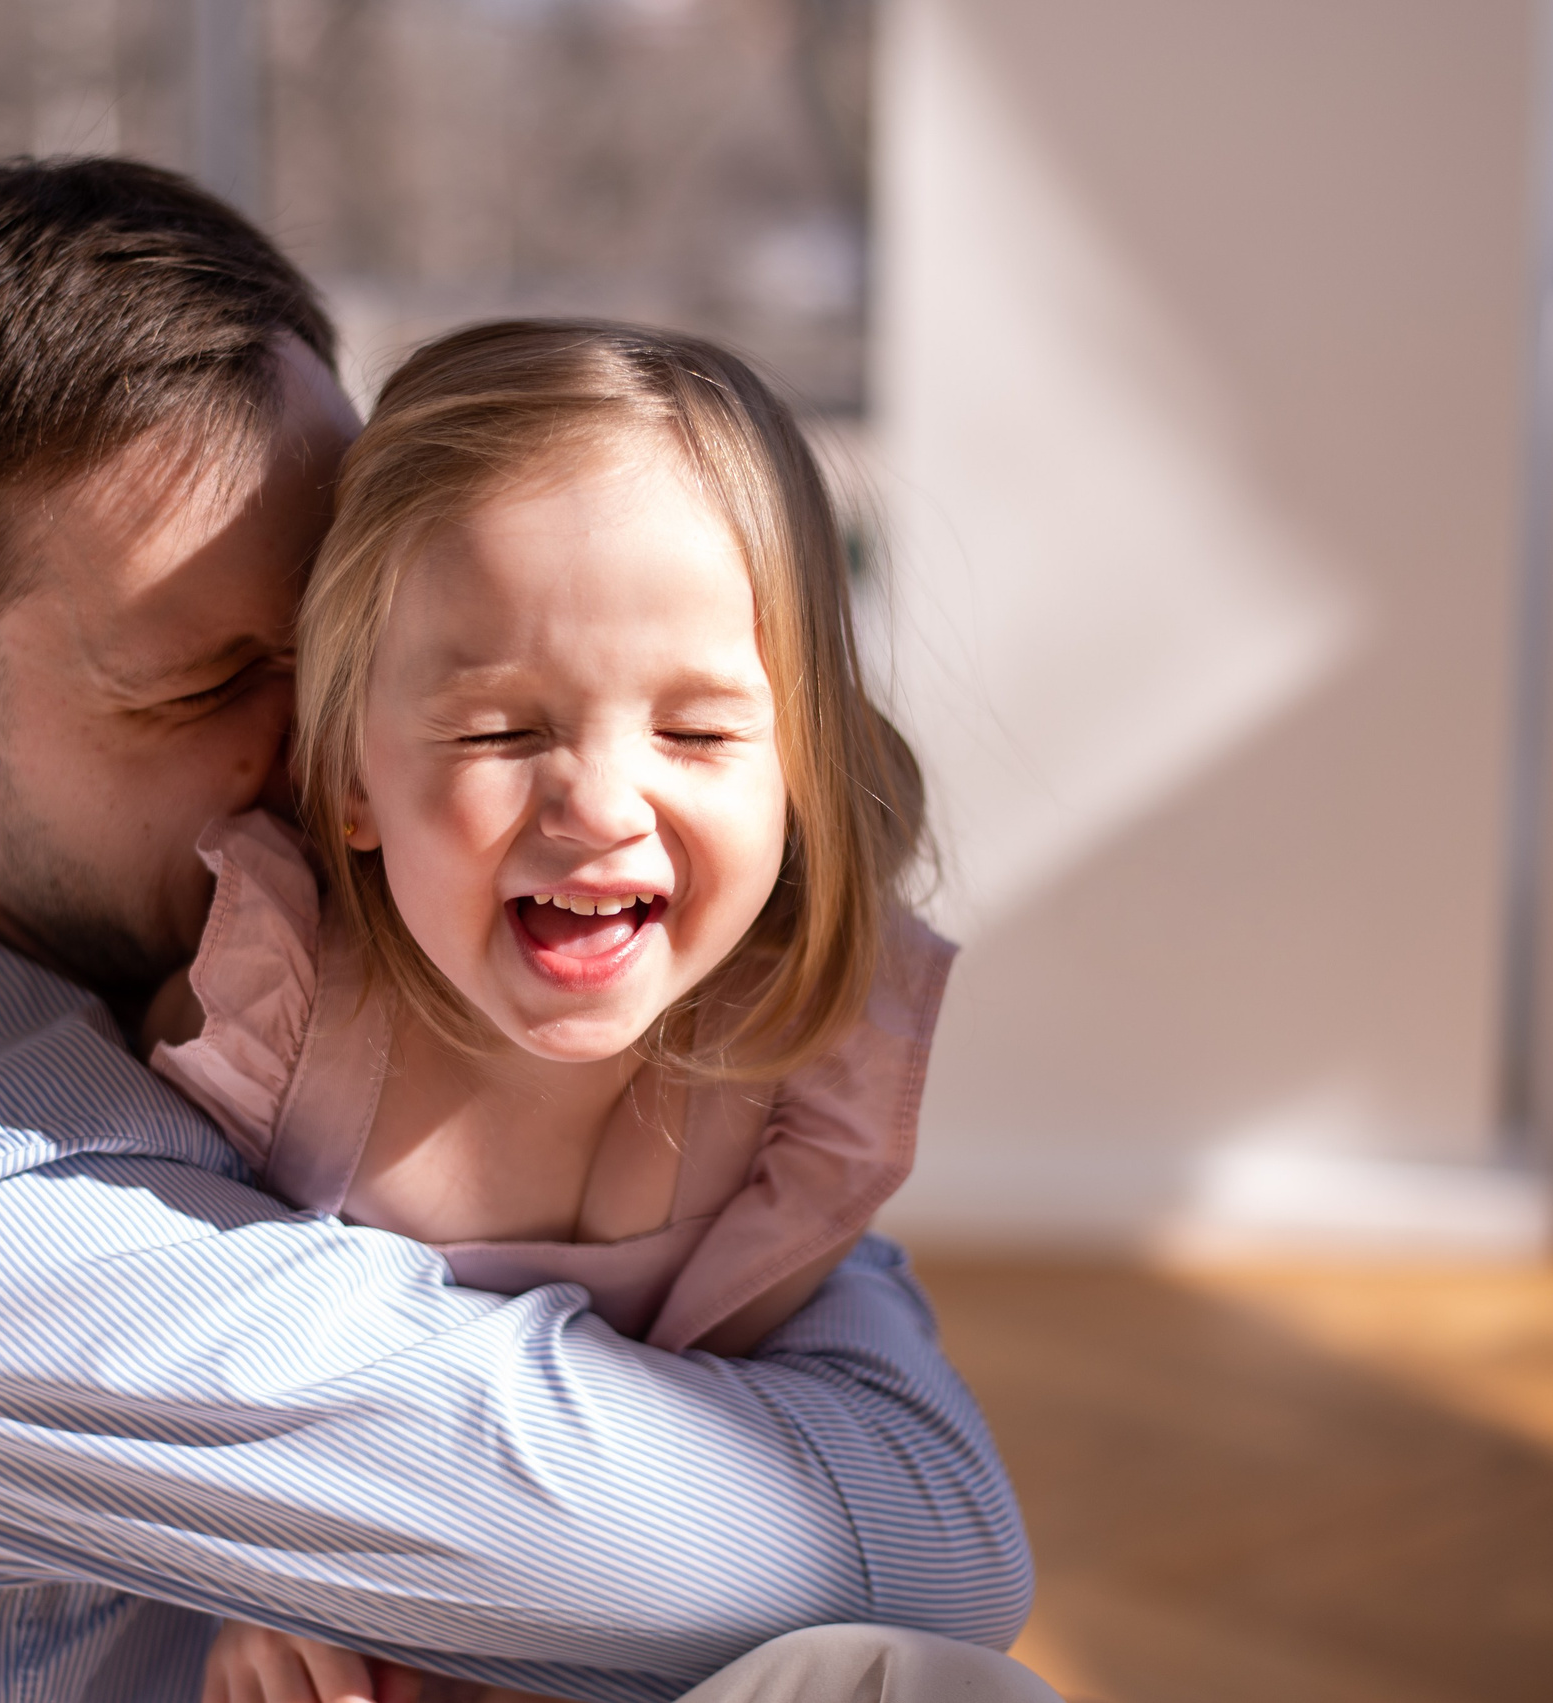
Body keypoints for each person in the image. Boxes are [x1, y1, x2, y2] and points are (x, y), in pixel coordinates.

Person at [0, 159, 1059, 1703]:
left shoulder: (234, 990)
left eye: (376, 639)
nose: (353, 749)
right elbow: (899, 1539)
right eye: (213, 682)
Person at [153, 320, 972, 1699]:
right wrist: (241, 1578)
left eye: (701, 732)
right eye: (498, 732)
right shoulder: (275, 1019)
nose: (598, 804)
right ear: (350, 774)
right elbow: (136, 1377)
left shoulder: (806, 1060)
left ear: (801, 766)